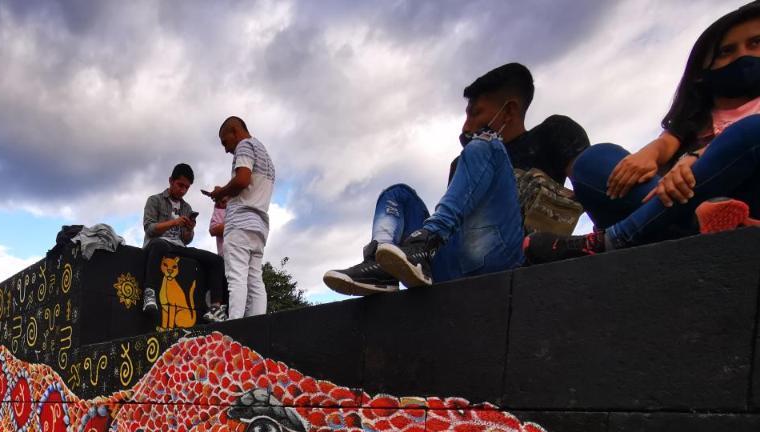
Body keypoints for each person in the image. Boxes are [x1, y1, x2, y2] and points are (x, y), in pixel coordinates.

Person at [323, 63, 589, 294]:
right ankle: (382, 269)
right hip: (455, 259)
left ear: (509, 111)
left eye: (476, 114)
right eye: (466, 115)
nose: (466, 126)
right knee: (397, 195)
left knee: (486, 144)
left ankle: (424, 243)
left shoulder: (551, 133)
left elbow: (593, 186)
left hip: (512, 255)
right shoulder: (465, 158)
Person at [526, 3, 760, 262]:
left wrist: (693, 161)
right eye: (727, 51)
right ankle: (697, 221)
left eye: (756, 43)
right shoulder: (692, 124)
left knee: (752, 130)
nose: (743, 56)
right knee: (594, 161)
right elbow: (662, 148)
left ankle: (616, 238)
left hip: (750, 198)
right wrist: (649, 159)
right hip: (685, 207)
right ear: (701, 73)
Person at [141, 163, 229, 323]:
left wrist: (189, 229)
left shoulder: (186, 207)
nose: (182, 190)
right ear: (170, 181)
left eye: (186, 188)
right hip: (158, 244)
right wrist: (173, 223)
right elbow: (149, 228)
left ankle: (216, 307)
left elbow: (186, 240)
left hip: (178, 246)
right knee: (159, 244)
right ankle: (149, 293)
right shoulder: (155, 200)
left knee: (216, 260)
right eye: (180, 185)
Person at [209, 117, 276, 318]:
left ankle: (235, 328)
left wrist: (221, 192)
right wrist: (226, 192)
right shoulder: (265, 154)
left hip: (240, 223)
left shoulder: (244, 146)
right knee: (255, 279)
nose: (226, 149)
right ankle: (258, 326)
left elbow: (243, 180)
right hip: (259, 225)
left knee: (236, 277)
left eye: (225, 142)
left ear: (235, 131)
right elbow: (250, 186)